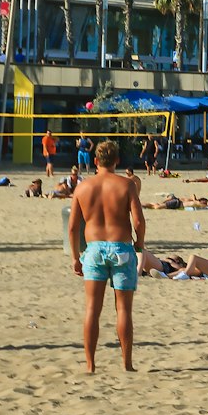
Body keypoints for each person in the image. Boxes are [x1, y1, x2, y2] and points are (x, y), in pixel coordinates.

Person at [68, 140, 145, 373]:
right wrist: (139, 245)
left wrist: (74, 257)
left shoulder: (82, 188)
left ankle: (90, 364)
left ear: (95, 161)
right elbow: (139, 221)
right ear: (117, 161)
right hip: (121, 247)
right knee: (123, 309)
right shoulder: (126, 185)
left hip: (93, 250)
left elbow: (72, 228)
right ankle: (127, 364)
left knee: (92, 308)